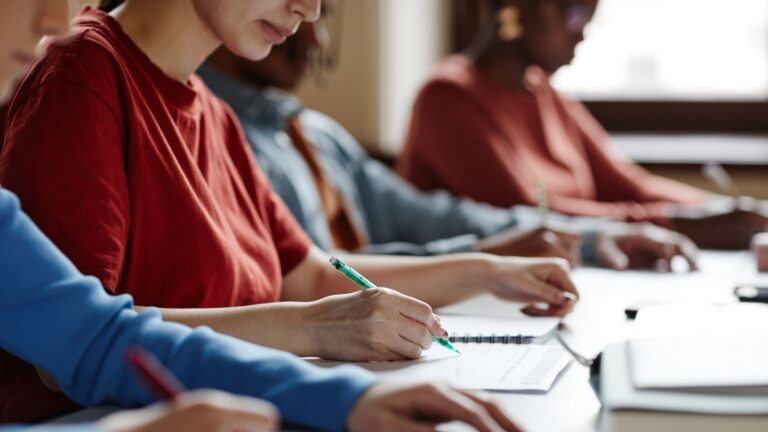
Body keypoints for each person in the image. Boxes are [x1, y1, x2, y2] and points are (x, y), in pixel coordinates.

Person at [0, 0, 576, 422]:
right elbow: (75, 348)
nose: (308, 10)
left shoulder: (214, 114)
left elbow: (305, 272)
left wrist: (483, 270)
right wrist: (319, 332)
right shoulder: (81, 77)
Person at [199, 2, 699, 271]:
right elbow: (311, 276)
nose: (315, 33)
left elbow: (432, 215)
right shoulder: (217, 134)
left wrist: (590, 238)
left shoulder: (315, 133)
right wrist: (481, 258)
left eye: (324, 12)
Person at [397, 0, 768, 250]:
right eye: (573, 12)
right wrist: (682, 224)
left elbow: (627, 183)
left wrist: (733, 210)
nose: (582, 32)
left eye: (591, 17)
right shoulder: (446, 97)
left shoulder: (545, 93)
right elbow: (528, 217)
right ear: (518, 7)